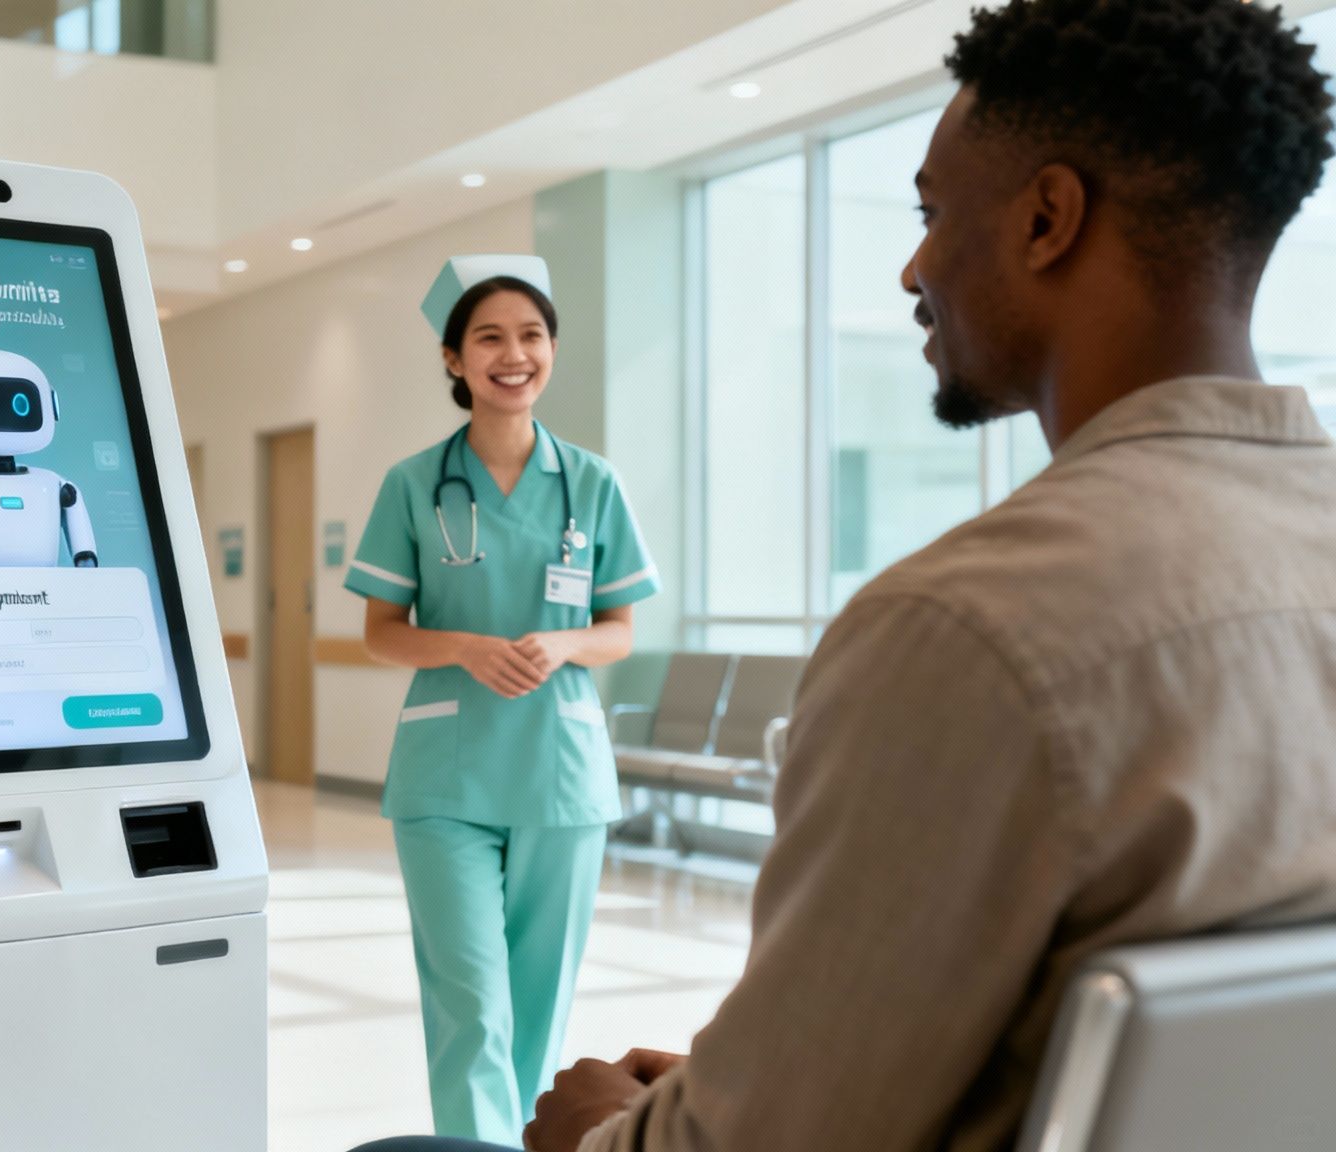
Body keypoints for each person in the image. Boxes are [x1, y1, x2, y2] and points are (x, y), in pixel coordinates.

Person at [357, 1, 1336, 1150]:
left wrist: (601, 1128)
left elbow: (751, 1139)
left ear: (1045, 218)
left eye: (929, 213)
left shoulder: (961, 628)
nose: (911, 264)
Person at [343, 254, 659, 1145]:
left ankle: (518, 1143)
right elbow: (381, 631)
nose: (512, 353)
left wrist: (564, 641)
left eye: (531, 335)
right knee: (471, 1007)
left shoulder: (592, 484)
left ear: (551, 350)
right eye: (489, 337)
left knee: (536, 1010)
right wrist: (466, 649)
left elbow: (619, 629)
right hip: (447, 779)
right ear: (454, 360)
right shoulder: (415, 484)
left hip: (560, 775)